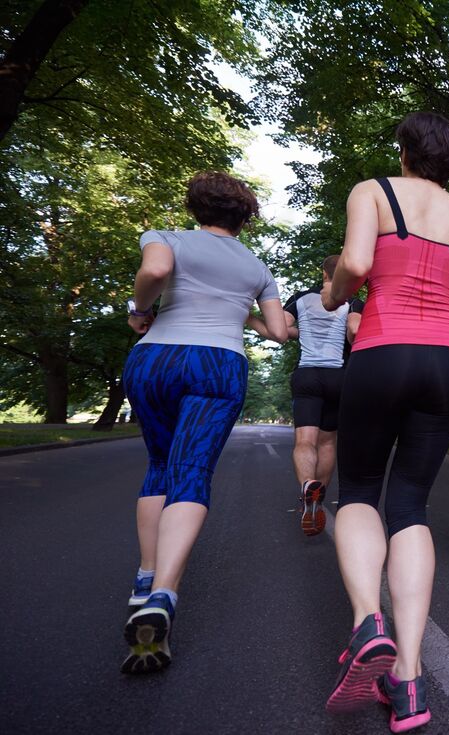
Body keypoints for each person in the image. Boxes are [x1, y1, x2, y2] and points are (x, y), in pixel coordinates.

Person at [320, 111, 449, 733]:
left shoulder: (372, 192)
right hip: (447, 362)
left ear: (404, 151)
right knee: (411, 505)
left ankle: (368, 622)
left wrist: (333, 297)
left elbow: (356, 265)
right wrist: (445, 328)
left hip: (381, 350)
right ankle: (410, 679)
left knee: (359, 491)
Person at [120, 171, 287, 674]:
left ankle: (145, 580)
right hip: (218, 363)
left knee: (159, 465)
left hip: (156, 358)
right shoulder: (256, 266)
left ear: (195, 208)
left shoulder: (165, 237)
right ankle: (164, 595)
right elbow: (279, 332)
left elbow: (155, 271)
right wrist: (240, 312)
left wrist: (138, 309)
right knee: (191, 472)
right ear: (244, 218)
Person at [249, 255, 364, 536]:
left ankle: (306, 488)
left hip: (307, 376)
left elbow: (279, 329)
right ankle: (318, 499)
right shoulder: (353, 301)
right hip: (339, 376)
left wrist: (250, 318)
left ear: (323, 273)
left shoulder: (301, 298)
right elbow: (354, 329)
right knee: (327, 442)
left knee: (305, 441)